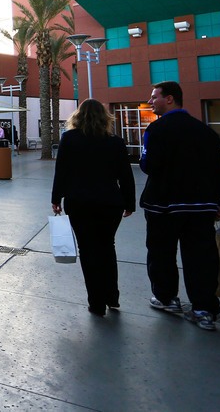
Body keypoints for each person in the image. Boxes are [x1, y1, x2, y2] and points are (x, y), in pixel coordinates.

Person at [140, 81, 220, 331]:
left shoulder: (156, 130)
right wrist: (216, 201)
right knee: (201, 257)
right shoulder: (206, 133)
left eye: (154, 97)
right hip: (201, 207)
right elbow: (216, 171)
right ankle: (203, 309)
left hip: (163, 206)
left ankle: (167, 298)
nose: (151, 101)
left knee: (161, 253)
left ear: (170, 99)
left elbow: (148, 165)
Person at [51, 100, 135, 316]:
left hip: (79, 202)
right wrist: (129, 202)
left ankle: (96, 302)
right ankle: (112, 296)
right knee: (108, 247)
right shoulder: (115, 142)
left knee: (88, 251)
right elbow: (125, 175)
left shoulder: (70, 139)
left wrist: (56, 198)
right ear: (104, 117)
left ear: (78, 116)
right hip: (110, 203)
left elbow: (61, 171)